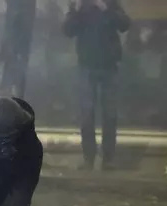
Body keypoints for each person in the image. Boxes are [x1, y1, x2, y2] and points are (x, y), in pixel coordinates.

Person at [63, 0, 130, 170]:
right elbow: (67, 31)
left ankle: (108, 158)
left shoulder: (111, 3)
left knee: (110, 113)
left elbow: (124, 24)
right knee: (86, 114)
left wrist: (105, 7)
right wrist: (77, 10)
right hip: (86, 65)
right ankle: (88, 158)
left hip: (109, 65)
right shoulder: (78, 4)